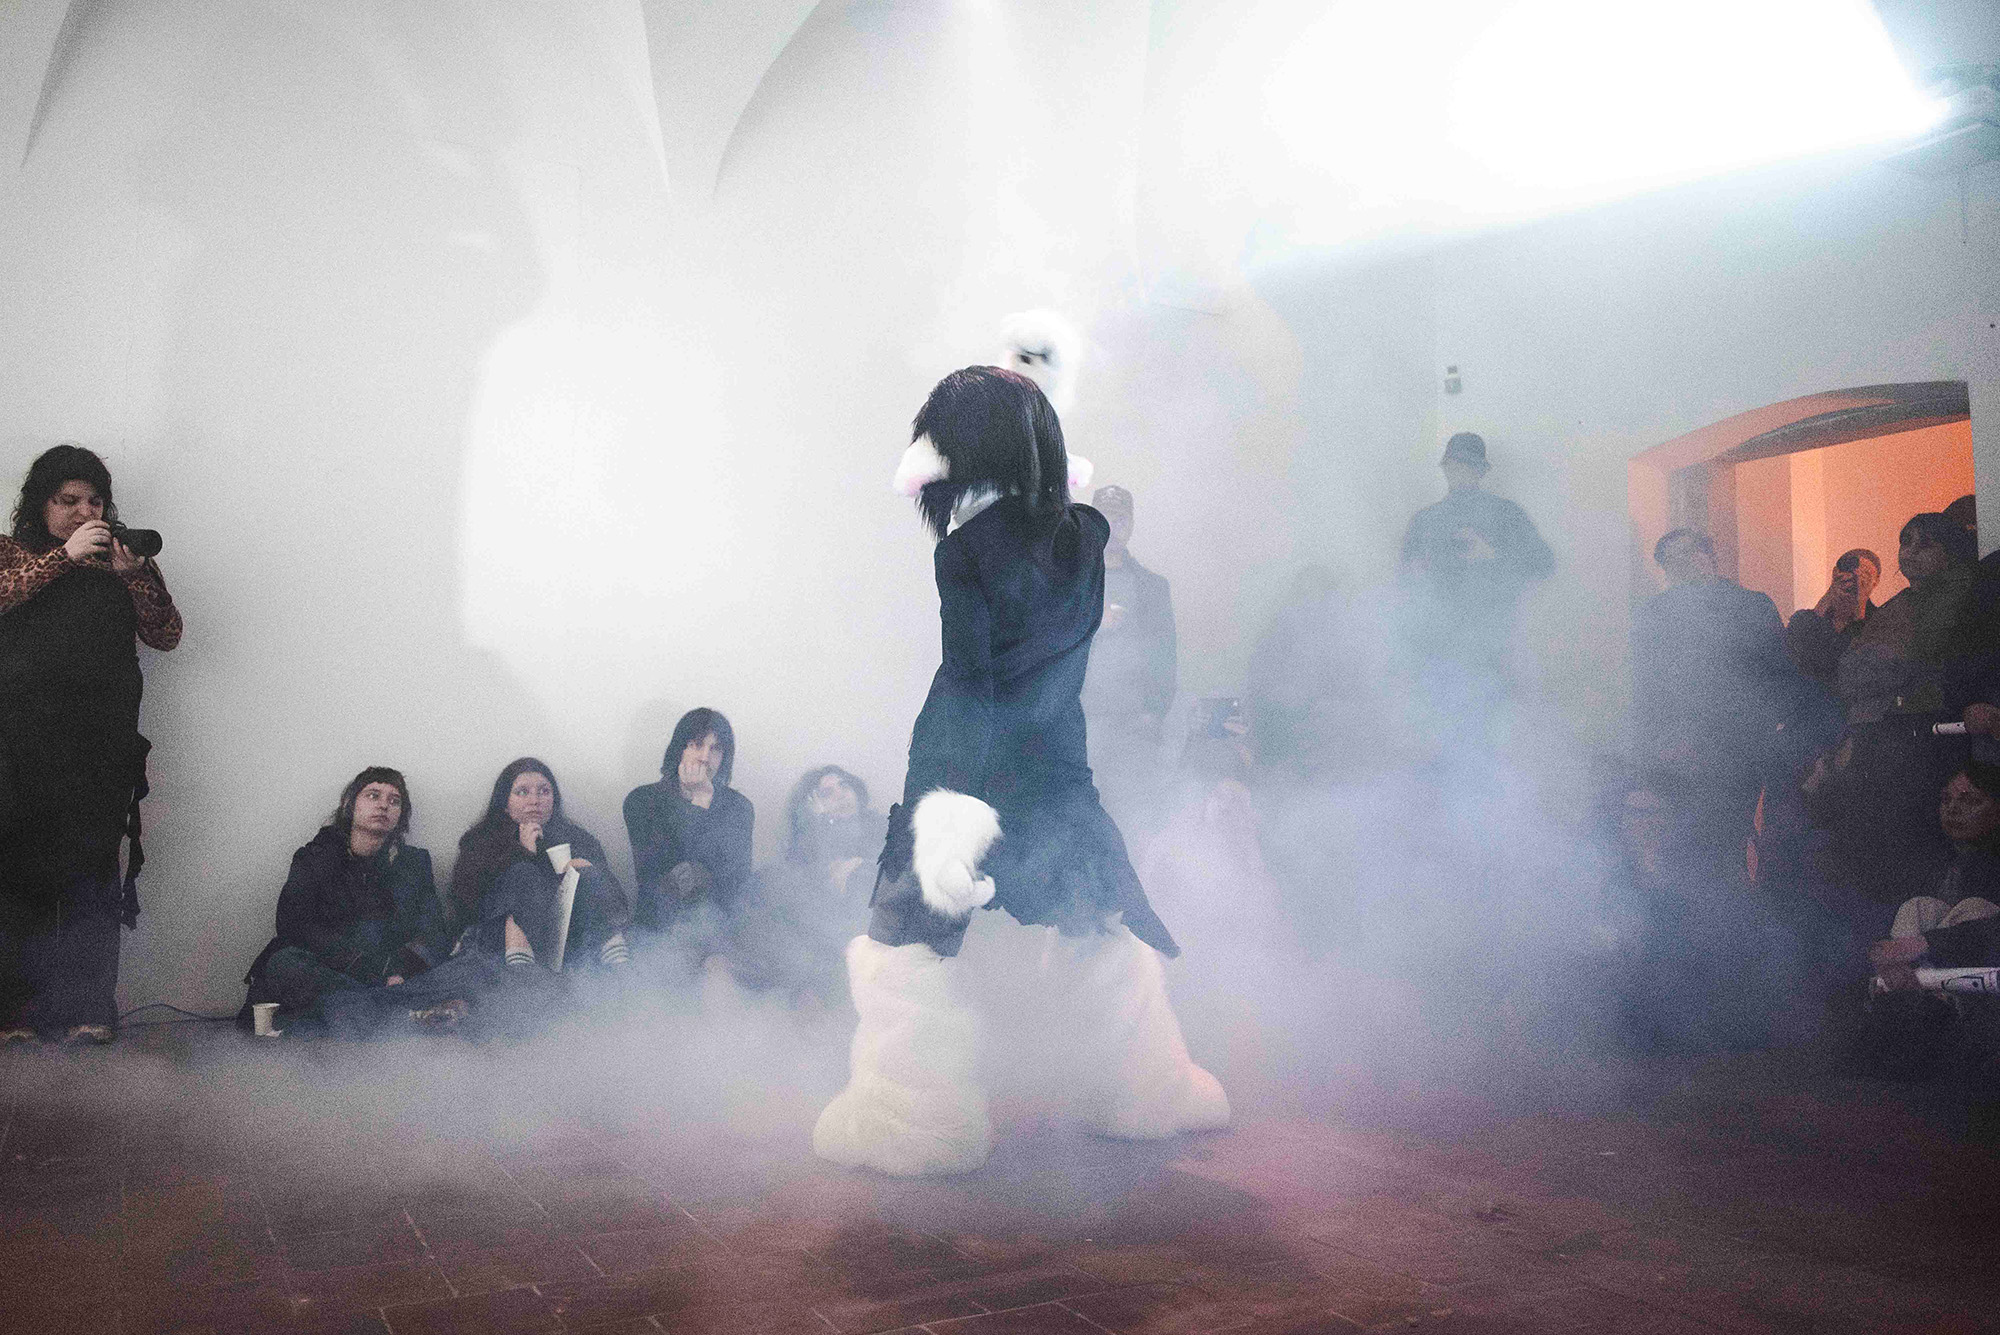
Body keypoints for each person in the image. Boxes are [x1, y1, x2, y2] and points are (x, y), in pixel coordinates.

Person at [815, 331, 1226, 1178]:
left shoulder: (964, 551)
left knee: (907, 942)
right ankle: (1149, 1091)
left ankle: (912, 1121)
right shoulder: (1089, 537)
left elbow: (973, 685)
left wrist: (949, 816)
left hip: (966, 763)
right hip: (1057, 765)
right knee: (1096, 921)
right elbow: (1060, 669)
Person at [0, 445, 181, 1045]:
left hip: (101, 747)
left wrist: (135, 577)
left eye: (95, 501)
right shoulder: (10, 552)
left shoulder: (119, 563)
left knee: (93, 877)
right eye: (68, 500)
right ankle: (13, 1014)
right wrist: (63, 558)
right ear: (40, 504)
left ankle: (87, 1011)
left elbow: (166, 634)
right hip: (20, 746)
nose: (85, 512)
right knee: (16, 875)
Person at [1630, 528, 1798, 876]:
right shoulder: (1655, 614)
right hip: (1677, 749)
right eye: (1671, 562)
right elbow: (1645, 685)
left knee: (1729, 843)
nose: (1682, 565)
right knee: (1681, 846)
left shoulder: (1752, 605)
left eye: (1689, 553)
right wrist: (1656, 742)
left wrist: (1764, 732)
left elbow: (1779, 672)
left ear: (1709, 555)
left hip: (1737, 748)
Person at [238, 767, 455, 1034]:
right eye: (373, 795)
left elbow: (433, 931)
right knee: (285, 963)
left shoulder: (414, 863)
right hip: (333, 973)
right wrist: (372, 971)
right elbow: (294, 927)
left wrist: (398, 970)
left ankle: (367, 1014)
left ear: (401, 815)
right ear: (350, 805)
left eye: (394, 801)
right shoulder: (315, 857)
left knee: (458, 968)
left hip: (394, 977)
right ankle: (387, 1014)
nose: (383, 805)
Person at [1398, 431, 1554, 690]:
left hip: (1489, 650)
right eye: (1454, 464)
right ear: (1445, 468)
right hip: (1434, 650)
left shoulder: (1506, 515)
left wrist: (1493, 556)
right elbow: (1403, 584)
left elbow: (1544, 563)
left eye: (1467, 464)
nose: (1460, 471)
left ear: (1481, 470)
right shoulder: (1424, 522)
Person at [451, 758, 631, 982]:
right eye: (522, 792)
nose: (534, 801)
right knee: (523, 873)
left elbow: (619, 905)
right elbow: (465, 905)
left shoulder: (579, 840)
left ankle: (620, 969)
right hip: (499, 943)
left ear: (554, 800)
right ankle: (522, 974)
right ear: (505, 803)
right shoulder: (480, 840)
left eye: (544, 791)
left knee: (587, 872)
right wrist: (522, 852)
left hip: (571, 940)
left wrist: (585, 871)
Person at [727, 766, 883, 1004]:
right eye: (827, 793)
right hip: (813, 938)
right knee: (767, 882)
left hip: (866, 932)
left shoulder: (882, 826)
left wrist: (861, 865)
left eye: (844, 786)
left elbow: (904, 870)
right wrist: (821, 823)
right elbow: (801, 879)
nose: (840, 795)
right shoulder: (808, 841)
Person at [1079, 485, 1176, 818]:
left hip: (1135, 723)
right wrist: (1095, 622)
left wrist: (1154, 712)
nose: (1114, 526)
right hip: (1082, 723)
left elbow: (1166, 656)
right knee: (1084, 815)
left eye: (1121, 519)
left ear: (1131, 524)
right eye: (1105, 518)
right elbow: (1049, 643)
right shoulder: (1070, 583)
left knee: (1133, 816)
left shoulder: (1152, 587)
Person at [623, 707, 755, 940]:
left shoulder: (739, 807)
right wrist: (699, 803)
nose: (705, 757)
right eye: (696, 744)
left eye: (715, 749)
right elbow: (654, 875)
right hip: (659, 929)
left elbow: (736, 882)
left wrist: (704, 799)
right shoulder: (642, 800)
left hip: (719, 929)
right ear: (679, 750)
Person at [1869, 762, 2000, 986]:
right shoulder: (1935, 860)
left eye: (1970, 801)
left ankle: (1925, 991)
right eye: (1946, 800)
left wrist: (1923, 945)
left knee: (1975, 907)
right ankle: (1907, 981)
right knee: (1918, 907)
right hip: (1931, 963)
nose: (1953, 809)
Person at [1785, 549, 1880, 690]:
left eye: (1865, 574)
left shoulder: (1882, 621)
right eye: (1849, 569)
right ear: (1835, 572)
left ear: (1876, 581)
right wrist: (1827, 599)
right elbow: (1792, 661)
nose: (1855, 577)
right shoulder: (1805, 619)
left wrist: (1860, 604)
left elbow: (1866, 671)